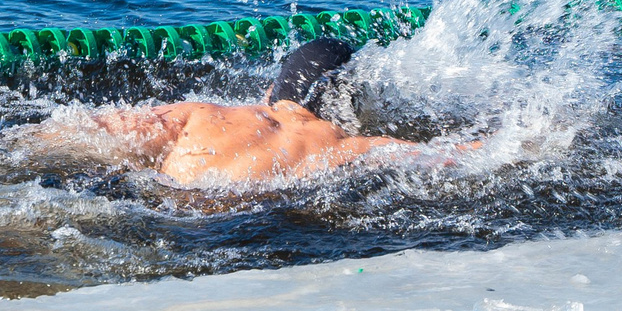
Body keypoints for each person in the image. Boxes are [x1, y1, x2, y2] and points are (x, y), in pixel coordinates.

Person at [85, 39, 418, 196]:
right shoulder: (351, 147)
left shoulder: (201, 113)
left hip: (161, 202)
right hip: (238, 224)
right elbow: (453, 156)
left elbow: (87, 128)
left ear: (272, 90)